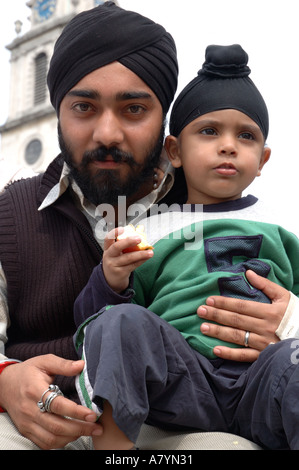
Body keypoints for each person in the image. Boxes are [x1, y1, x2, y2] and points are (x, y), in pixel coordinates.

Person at [0, 2, 294, 449]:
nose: (108, 134)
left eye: (134, 110)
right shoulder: (9, 212)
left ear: (166, 126)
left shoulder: (212, 199)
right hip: (36, 419)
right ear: (58, 110)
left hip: (182, 415)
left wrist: (290, 323)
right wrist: (4, 379)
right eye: (83, 107)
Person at [73, 44, 299, 450]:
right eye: (209, 131)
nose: (228, 145)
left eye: (245, 136)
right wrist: (111, 276)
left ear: (262, 159)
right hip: (181, 379)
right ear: (174, 151)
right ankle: (114, 449)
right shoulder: (149, 228)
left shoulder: (283, 226)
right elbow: (95, 322)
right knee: (119, 322)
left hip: (263, 380)